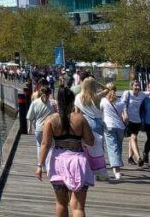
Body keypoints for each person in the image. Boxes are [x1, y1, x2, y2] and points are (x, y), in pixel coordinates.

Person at [36, 86, 95, 217]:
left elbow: (45, 144)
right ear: (72, 102)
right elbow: (91, 141)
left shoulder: (51, 120)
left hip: (58, 162)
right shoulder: (80, 119)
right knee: (78, 207)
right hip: (78, 162)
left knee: (61, 203)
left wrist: (39, 165)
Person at [74, 77, 108, 181]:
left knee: (85, 147)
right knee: (98, 148)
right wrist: (98, 83)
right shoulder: (97, 97)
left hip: (84, 122)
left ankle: (85, 170)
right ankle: (100, 172)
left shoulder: (78, 97)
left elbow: (76, 113)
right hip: (97, 123)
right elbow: (108, 89)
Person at [28, 79, 57, 172]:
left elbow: (30, 116)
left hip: (39, 128)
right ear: (50, 93)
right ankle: (49, 165)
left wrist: (29, 127)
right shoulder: (53, 103)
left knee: (40, 146)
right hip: (50, 128)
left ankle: (42, 165)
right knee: (51, 146)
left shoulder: (35, 102)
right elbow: (57, 115)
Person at [100, 82, 126, 179]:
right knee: (118, 147)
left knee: (112, 148)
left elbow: (99, 112)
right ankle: (118, 166)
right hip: (120, 127)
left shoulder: (103, 101)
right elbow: (126, 117)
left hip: (108, 126)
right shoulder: (121, 101)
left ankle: (116, 170)